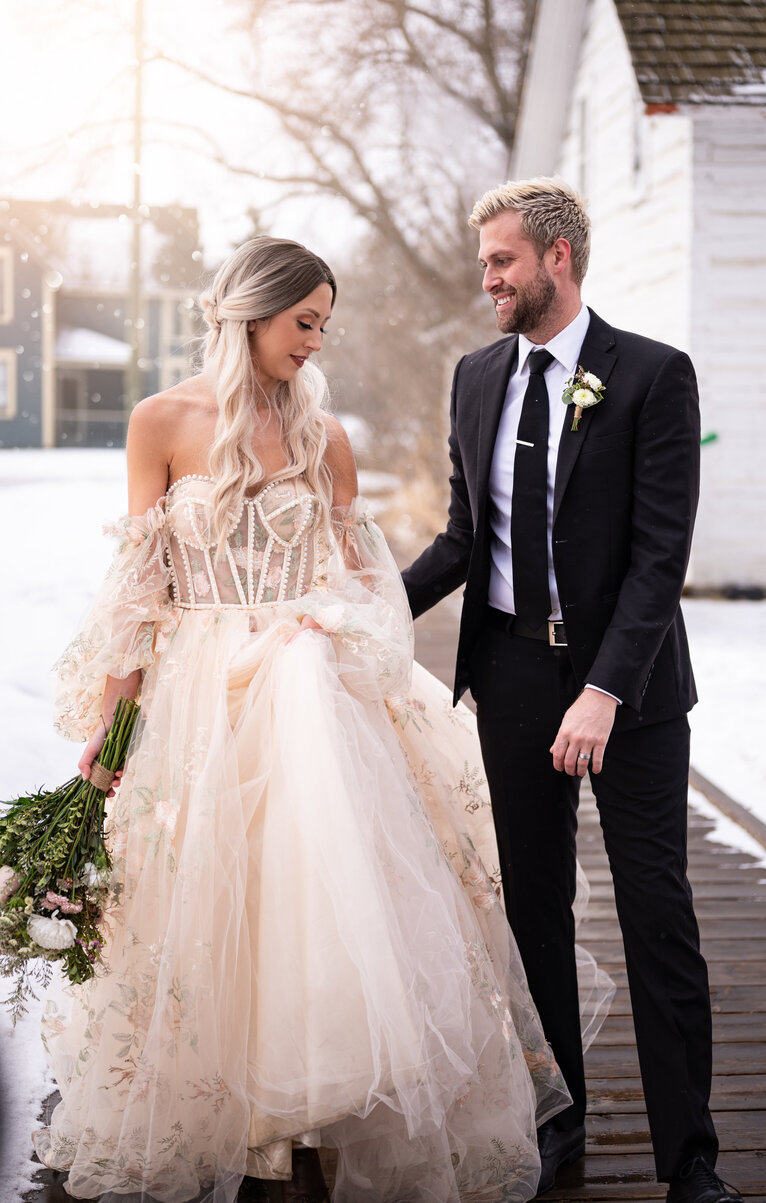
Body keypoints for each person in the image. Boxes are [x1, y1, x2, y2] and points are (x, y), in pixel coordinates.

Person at [32, 235, 603, 1203]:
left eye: (325, 328)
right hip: (201, 702)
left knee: (324, 898)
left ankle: (310, 1105)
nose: (315, 344)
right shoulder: (159, 422)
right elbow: (139, 589)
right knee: (207, 903)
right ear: (251, 313)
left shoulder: (321, 436)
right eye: (304, 324)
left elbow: (362, 582)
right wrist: (117, 732)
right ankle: (232, 1111)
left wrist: (330, 634)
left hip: (311, 694)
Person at [402, 179, 743, 1203]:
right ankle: (559, 1123)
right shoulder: (472, 377)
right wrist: (365, 604)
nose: (486, 278)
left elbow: (656, 558)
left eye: (502, 260)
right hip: (504, 673)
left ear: (557, 258)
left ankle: (690, 1158)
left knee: (655, 910)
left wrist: (600, 689)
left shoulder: (650, 376)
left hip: (626, 692)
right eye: (484, 262)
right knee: (532, 910)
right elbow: (464, 538)